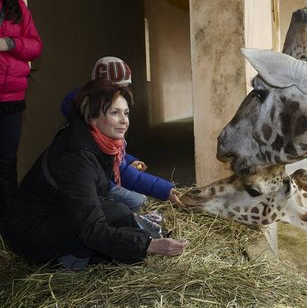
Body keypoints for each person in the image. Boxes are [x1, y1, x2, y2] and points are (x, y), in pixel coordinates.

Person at [0, 79, 188, 270]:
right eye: (115, 113)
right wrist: (150, 246)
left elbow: (125, 174)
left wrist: (165, 190)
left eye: (126, 113)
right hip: (29, 234)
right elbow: (91, 228)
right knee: (113, 215)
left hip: (53, 214)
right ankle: (68, 262)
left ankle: (100, 253)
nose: (124, 120)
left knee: (119, 212)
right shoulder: (77, 157)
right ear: (93, 117)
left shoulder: (97, 140)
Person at [61, 56, 182, 212]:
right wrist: (164, 190)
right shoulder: (87, 137)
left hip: (101, 184)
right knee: (140, 202)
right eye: (118, 91)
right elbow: (122, 172)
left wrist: (130, 160)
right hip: (96, 190)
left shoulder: (97, 120)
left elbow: (117, 160)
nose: (122, 97)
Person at [0, 0, 43, 219]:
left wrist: (9, 43)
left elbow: (35, 46)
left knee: (6, 163)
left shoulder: (16, 5)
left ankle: (8, 225)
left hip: (11, 97)